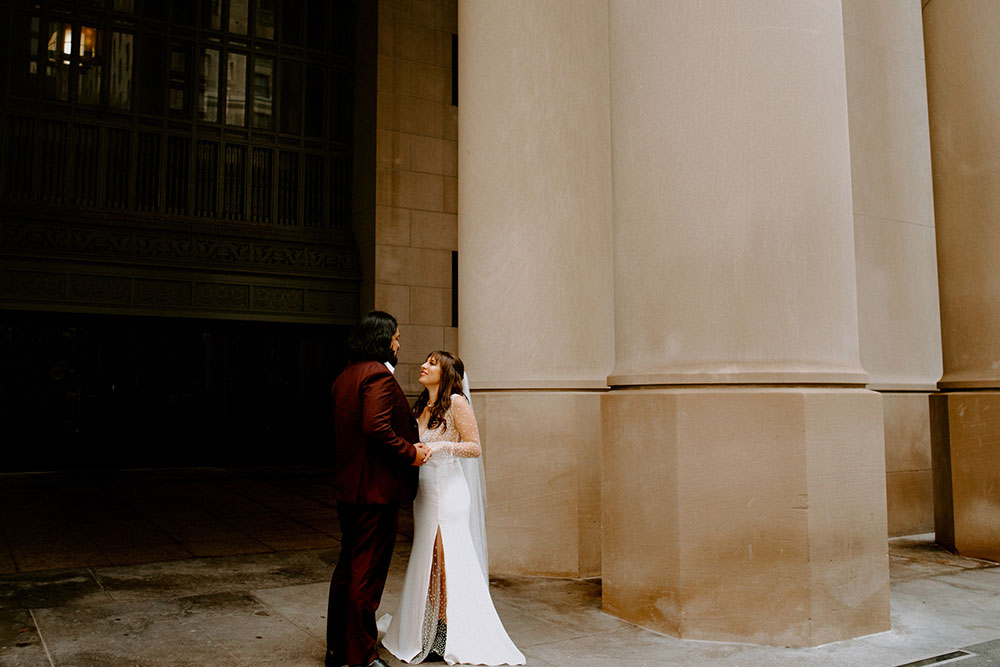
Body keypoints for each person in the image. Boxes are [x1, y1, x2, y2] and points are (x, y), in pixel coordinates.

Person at [381, 350, 525, 665]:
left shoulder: (457, 403)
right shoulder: (421, 405)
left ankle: (445, 630)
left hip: (449, 492)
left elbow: (474, 447)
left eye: (432, 363)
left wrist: (442, 446)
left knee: (446, 562)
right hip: (425, 494)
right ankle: (426, 626)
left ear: (446, 373)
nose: (424, 365)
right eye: (426, 361)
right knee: (428, 561)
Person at [327, 311, 431, 667]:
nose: (399, 343)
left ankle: (338, 650)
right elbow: (376, 427)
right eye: (396, 337)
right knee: (365, 575)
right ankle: (362, 656)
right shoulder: (377, 375)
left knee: (347, 570)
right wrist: (411, 453)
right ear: (382, 339)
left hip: (350, 490)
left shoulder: (346, 376)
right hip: (373, 491)